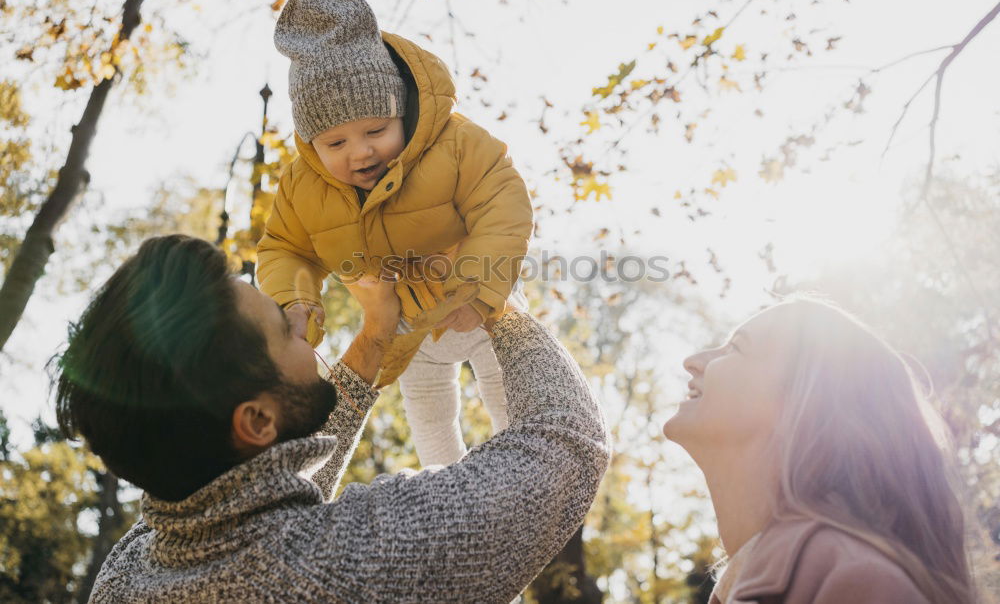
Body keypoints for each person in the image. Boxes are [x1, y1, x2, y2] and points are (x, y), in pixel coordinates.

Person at [52, 235, 609, 603]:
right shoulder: (351, 562)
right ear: (256, 421)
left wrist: (373, 340)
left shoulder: (128, 574)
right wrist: (493, 305)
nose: (299, 322)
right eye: (280, 327)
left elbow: (249, 502)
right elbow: (564, 443)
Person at [257, 0, 534, 468]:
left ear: (401, 110)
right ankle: (451, 501)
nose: (359, 152)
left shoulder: (455, 143)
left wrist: (483, 285)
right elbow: (285, 248)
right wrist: (296, 302)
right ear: (310, 141)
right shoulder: (302, 185)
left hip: (484, 303)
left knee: (511, 398)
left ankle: (524, 481)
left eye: (375, 131)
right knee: (429, 418)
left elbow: (502, 201)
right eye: (335, 142)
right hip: (407, 326)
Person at [662, 295, 975, 604]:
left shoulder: (858, 583)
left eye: (736, 348)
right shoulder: (783, 579)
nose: (692, 362)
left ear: (805, 404)